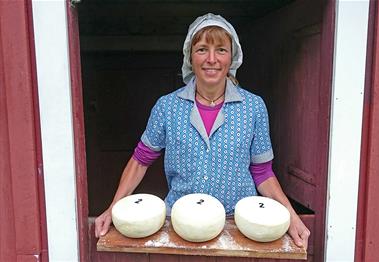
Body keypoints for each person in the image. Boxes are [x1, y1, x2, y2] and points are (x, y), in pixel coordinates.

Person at [95, 13, 310, 249]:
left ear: (232, 56)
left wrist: (291, 217)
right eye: (201, 49)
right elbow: (140, 160)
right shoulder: (167, 106)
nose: (211, 59)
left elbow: (262, 172)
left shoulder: (253, 107)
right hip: (180, 224)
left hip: (237, 224)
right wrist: (113, 207)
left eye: (220, 49)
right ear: (190, 57)